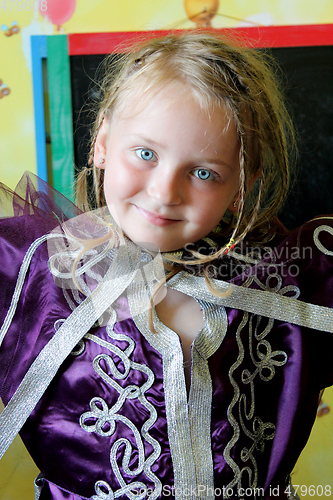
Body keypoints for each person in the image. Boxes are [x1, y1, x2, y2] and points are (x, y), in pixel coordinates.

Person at [0, 32, 333, 500]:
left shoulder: (293, 282)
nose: (164, 192)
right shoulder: (28, 271)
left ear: (241, 184)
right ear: (101, 142)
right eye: (145, 153)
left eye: (204, 173)